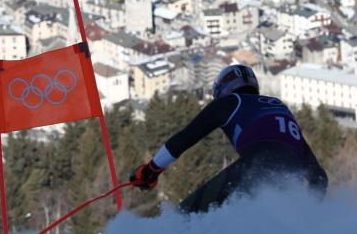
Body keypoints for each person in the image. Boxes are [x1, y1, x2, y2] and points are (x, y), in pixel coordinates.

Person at [130, 64, 328, 213]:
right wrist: (310, 214)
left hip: (255, 167)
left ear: (222, 89)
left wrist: (151, 170)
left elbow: (184, 139)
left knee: (185, 216)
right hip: (287, 183)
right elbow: (319, 177)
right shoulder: (279, 108)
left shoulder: (230, 102)